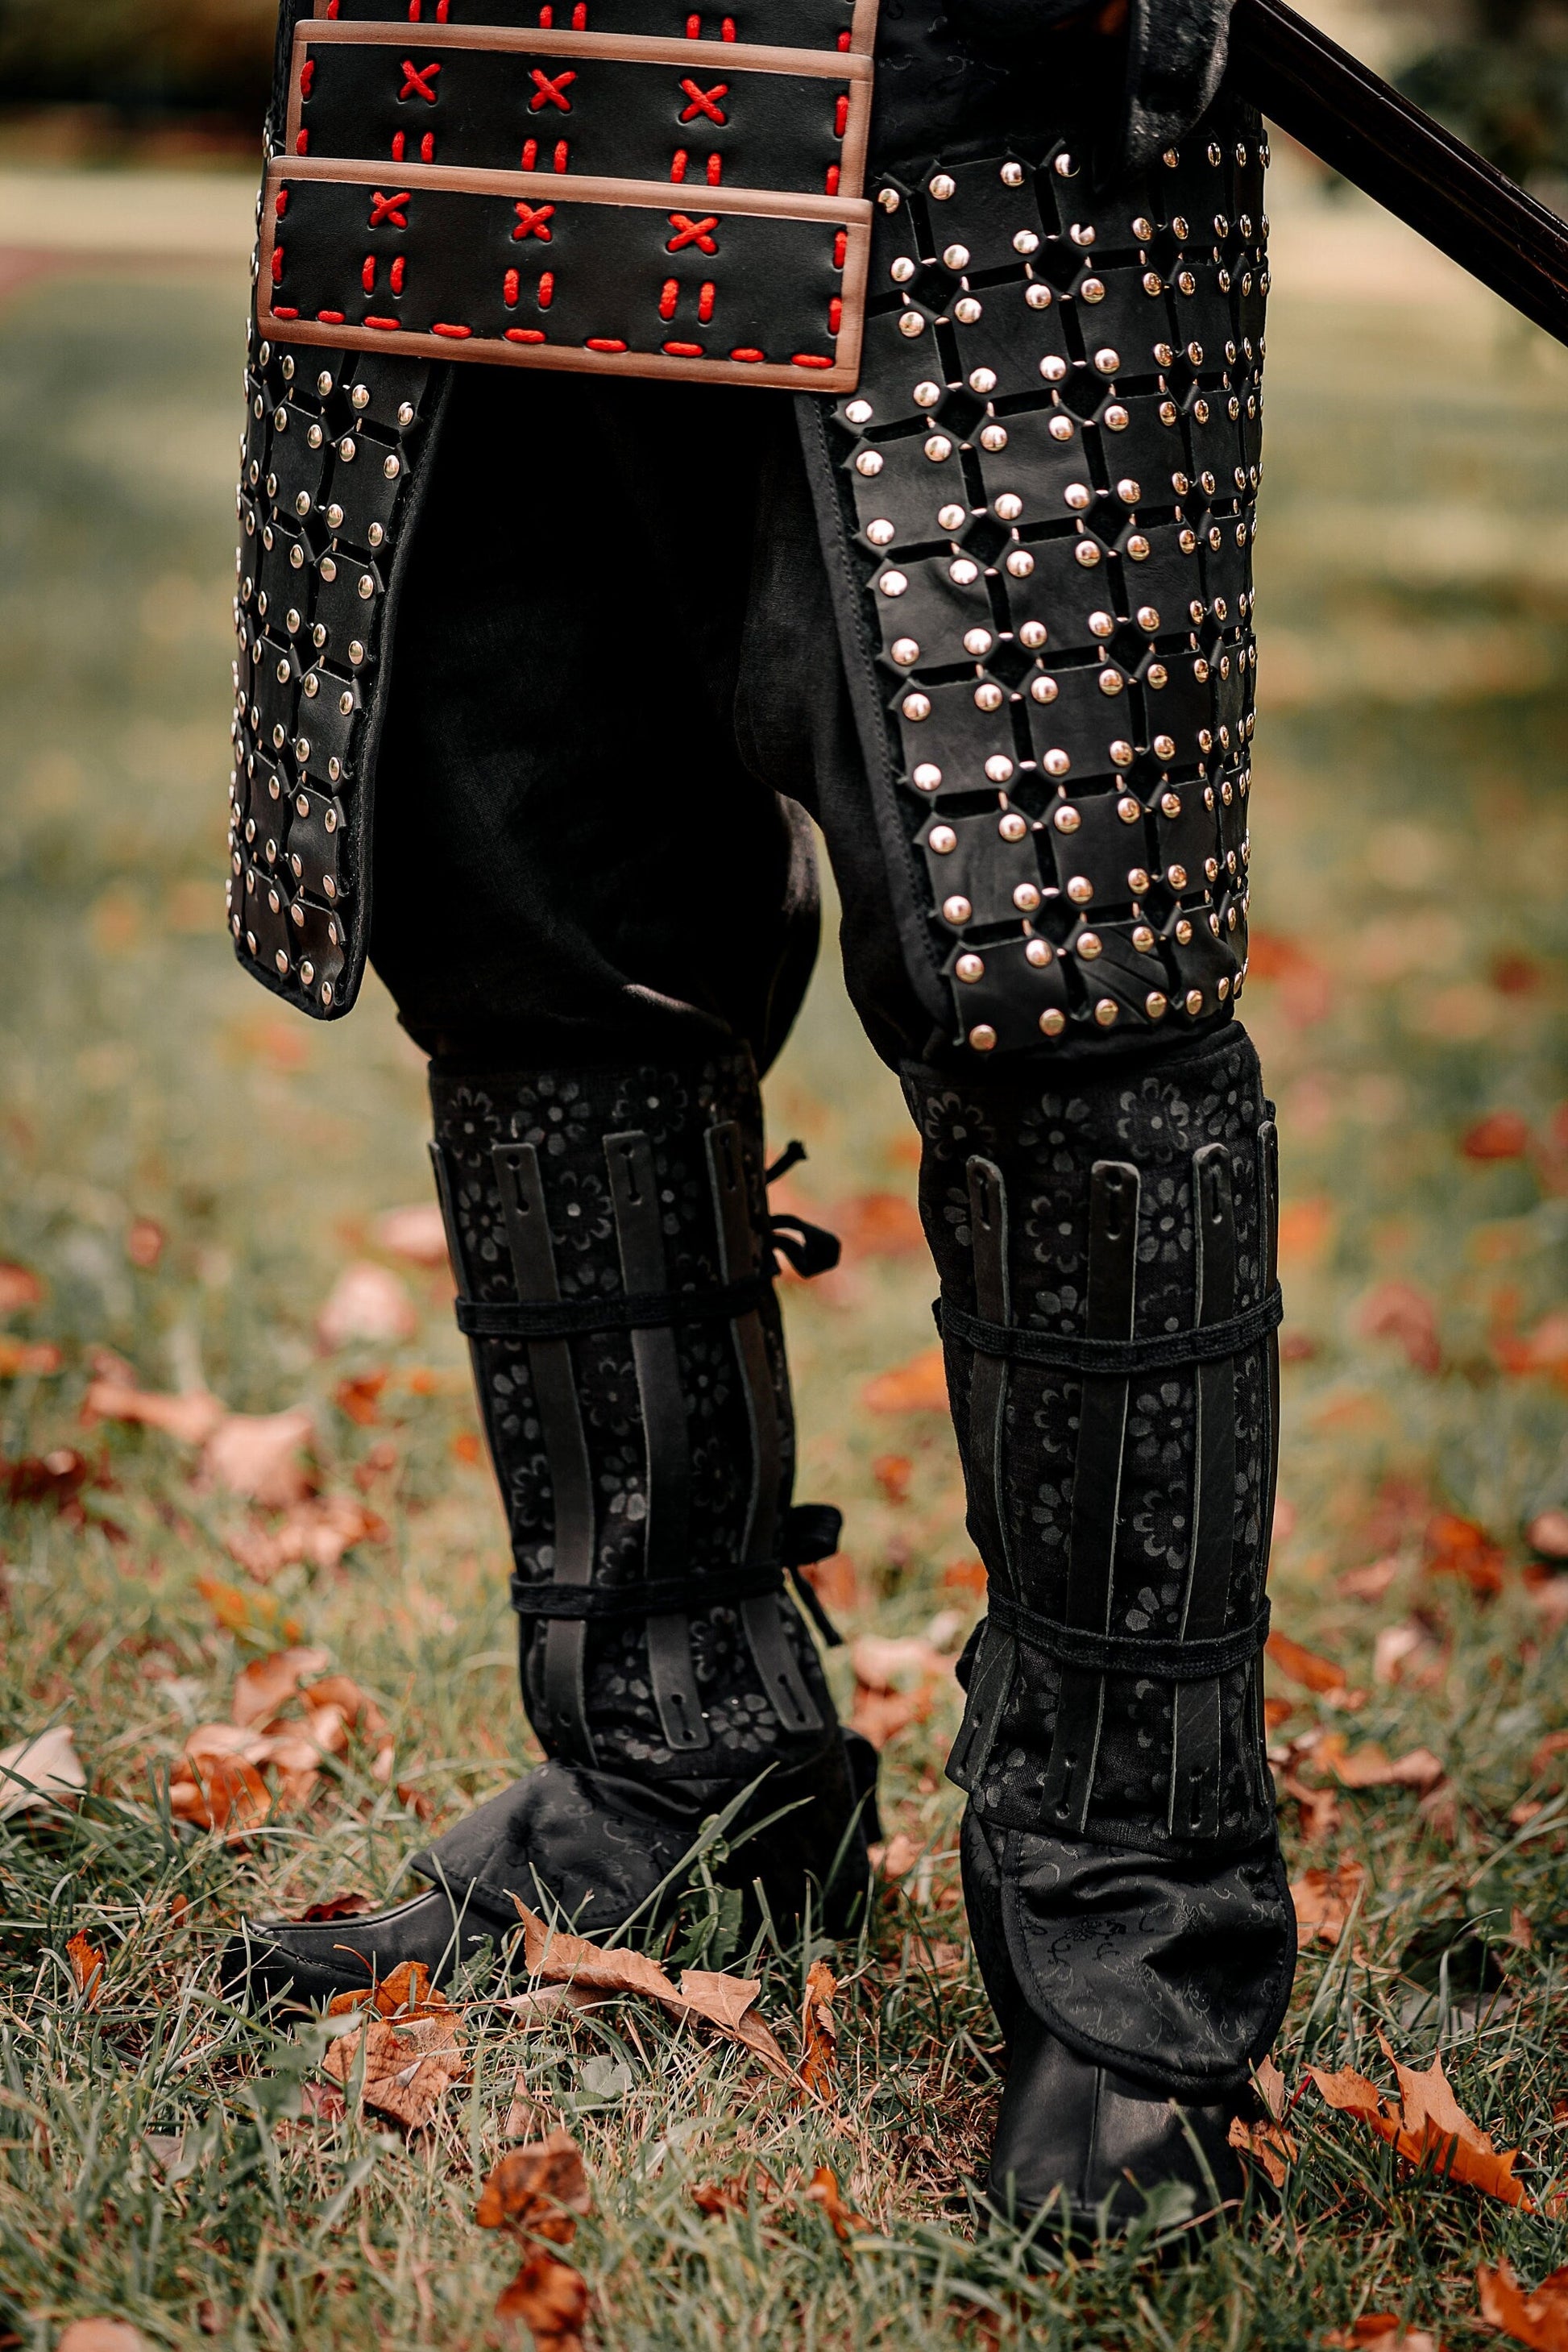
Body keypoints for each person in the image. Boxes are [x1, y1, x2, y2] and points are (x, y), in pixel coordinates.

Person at [222, 0, 1294, 2235]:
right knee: (533, 940)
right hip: (461, 96)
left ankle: (1130, 1912)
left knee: (1058, 975)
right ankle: (679, 1764)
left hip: (973, 91)